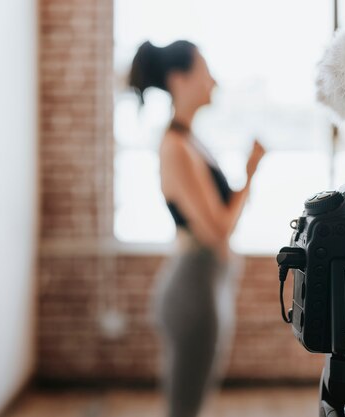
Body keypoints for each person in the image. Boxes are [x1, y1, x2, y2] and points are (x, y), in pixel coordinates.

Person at [128, 40, 266, 417]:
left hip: (205, 285)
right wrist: (251, 173)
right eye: (205, 70)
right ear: (179, 79)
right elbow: (217, 230)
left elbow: (220, 217)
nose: (213, 81)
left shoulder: (190, 139)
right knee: (184, 408)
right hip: (192, 290)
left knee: (191, 402)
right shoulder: (175, 146)